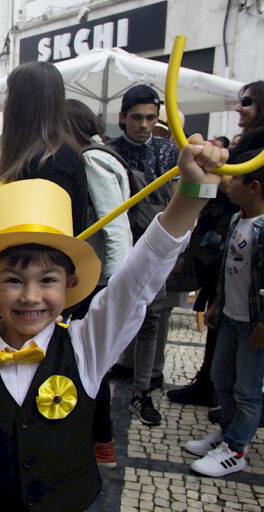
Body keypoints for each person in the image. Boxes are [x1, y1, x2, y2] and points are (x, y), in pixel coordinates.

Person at [0, 137, 228, 510]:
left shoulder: (86, 345)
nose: (31, 296)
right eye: (14, 281)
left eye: (47, 280)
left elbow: (136, 283)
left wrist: (190, 196)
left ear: (70, 284)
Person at [169, 81, 264, 409]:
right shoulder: (251, 139)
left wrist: (210, 176)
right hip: (226, 235)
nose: (239, 107)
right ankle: (217, 389)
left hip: (235, 239)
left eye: (247, 101)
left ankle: (234, 401)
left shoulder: (258, 143)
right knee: (221, 319)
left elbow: (239, 185)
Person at [183, 150, 264, 477]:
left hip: (253, 325)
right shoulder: (236, 220)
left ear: (254, 187)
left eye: (236, 178)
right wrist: (216, 303)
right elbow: (229, 270)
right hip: (230, 317)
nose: (228, 182)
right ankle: (227, 433)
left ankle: (236, 448)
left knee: (247, 390)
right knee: (221, 378)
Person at [0, 62, 88, 247]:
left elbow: (42, 243)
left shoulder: (53, 159)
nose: (4, 102)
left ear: (20, 103)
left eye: (8, 93)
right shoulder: (41, 155)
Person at [66, 99, 133, 468]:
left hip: (99, 280)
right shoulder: (104, 155)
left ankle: (101, 441)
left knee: (89, 359)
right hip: (98, 278)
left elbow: (115, 225)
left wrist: (115, 287)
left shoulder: (92, 160)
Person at [108, 84, 179, 426]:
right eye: (137, 118)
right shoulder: (110, 151)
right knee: (112, 314)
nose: (144, 125)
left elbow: (178, 194)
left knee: (152, 319)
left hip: (156, 248)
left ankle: (142, 390)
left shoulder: (167, 150)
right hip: (120, 247)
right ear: (122, 117)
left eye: (151, 118)